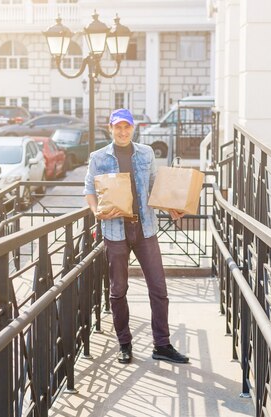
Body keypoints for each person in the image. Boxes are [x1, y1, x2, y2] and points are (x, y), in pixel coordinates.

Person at [83, 108, 189, 365]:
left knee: (159, 288)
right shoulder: (98, 157)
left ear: (133, 128)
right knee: (118, 291)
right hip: (115, 231)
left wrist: (172, 206)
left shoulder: (146, 153)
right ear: (110, 129)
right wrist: (97, 211)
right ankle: (125, 344)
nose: (122, 131)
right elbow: (89, 189)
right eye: (117, 127)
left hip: (145, 229)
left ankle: (161, 345)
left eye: (126, 127)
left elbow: (155, 187)